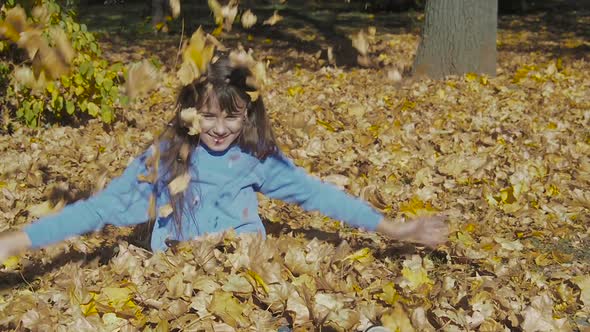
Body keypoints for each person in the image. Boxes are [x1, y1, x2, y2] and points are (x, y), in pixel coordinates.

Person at [0, 51, 448, 261]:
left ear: (249, 114)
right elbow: (101, 208)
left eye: (231, 117)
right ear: (190, 111)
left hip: (244, 268)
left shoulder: (254, 157)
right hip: (177, 274)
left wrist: (393, 228)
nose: (218, 129)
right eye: (208, 115)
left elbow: (318, 196)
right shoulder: (168, 157)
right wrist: (16, 243)